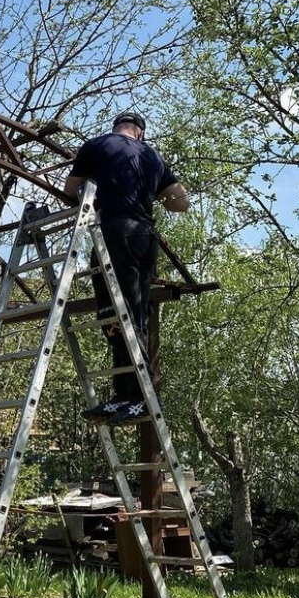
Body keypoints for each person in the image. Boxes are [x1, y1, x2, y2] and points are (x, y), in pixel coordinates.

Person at [63, 111, 190, 425]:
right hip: (145, 237)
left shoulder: (96, 145)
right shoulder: (152, 156)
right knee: (132, 313)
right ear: (140, 133)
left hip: (115, 233)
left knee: (115, 314)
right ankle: (125, 394)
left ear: (116, 128)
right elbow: (181, 203)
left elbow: (69, 190)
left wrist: (99, 186)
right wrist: (154, 195)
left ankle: (140, 398)